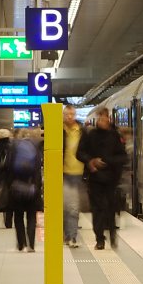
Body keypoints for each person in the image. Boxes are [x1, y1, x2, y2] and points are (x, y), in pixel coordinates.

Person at [77, 108, 127, 250]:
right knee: (97, 209)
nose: (104, 120)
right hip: (95, 179)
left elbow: (123, 156)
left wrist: (108, 161)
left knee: (110, 209)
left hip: (111, 180)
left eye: (106, 117)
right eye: (101, 118)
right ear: (97, 119)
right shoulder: (90, 135)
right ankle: (100, 239)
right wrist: (91, 161)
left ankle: (112, 234)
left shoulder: (114, 136)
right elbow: (79, 153)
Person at [6, 128, 42, 252]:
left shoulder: (14, 148)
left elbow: (9, 167)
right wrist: (37, 187)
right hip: (31, 187)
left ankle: (21, 244)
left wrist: (10, 185)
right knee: (31, 216)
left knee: (18, 216)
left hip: (17, 187)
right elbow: (38, 169)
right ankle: (31, 244)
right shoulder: (35, 149)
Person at [61, 105, 84, 248]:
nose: (69, 117)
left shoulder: (82, 131)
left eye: (72, 114)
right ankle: (67, 234)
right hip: (62, 173)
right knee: (64, 207)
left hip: (78, 174)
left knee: (73, 207)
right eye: (67, 114)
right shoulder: (58, 131)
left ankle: (72, 237)